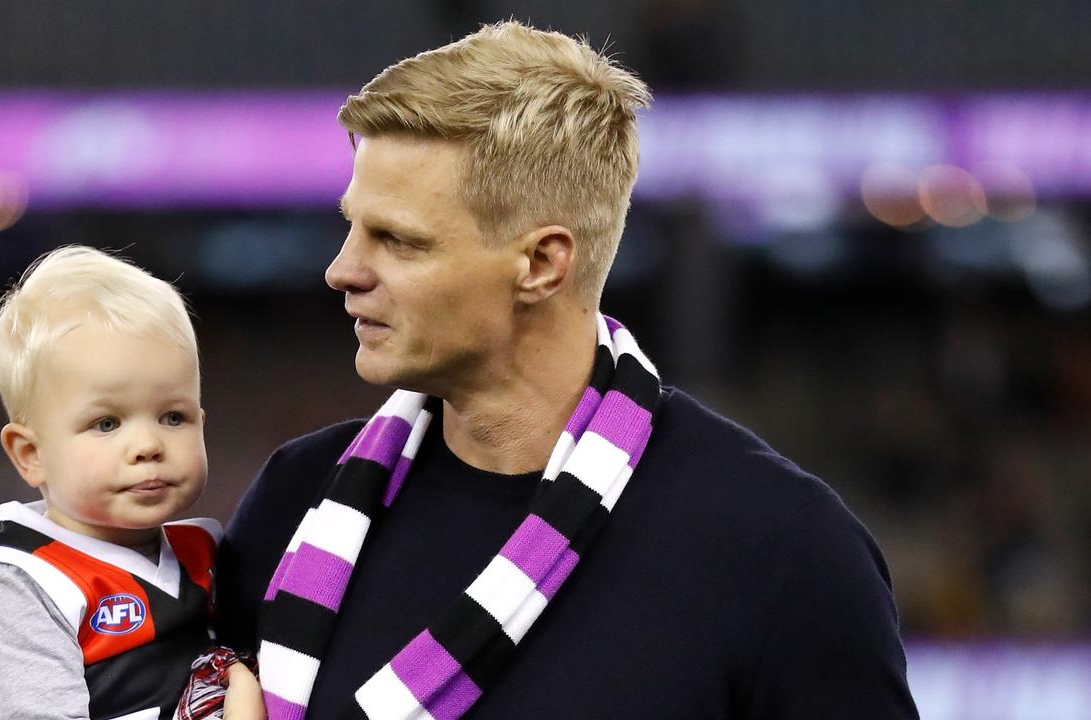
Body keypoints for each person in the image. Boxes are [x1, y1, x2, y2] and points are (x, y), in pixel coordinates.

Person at [217, 21, 919, 719]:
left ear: (542, 264)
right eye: (351, 226)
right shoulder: (295, 499)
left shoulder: (781, 550)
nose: (342, 270)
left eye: (397, 240)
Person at [0, 246, 264, 720]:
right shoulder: (15, 592)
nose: (148, 444)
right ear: (31, 455)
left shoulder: (209, 552)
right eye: (107, 423)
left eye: (173, 417)